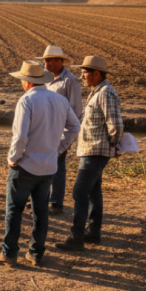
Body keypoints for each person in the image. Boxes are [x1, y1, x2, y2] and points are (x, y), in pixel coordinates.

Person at [0, 62, 80, 267]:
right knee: (41, 212)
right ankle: (36, 253)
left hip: (26, 166)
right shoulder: (60, 100)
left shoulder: (27, 100)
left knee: (14, 210)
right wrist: (58, 149)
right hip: (48, 167)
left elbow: (20, 136)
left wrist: (13, 157)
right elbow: (75, 127)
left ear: (27, 82)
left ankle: (9, 252)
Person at [56, 56, 123, 251]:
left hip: (95, 150)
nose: (82, 75)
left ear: (96, 73)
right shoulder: (98, 91)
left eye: (85, 72)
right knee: (93, 192)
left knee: (79, 191)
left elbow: (116, 125)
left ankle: (77, 237)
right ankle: (93, 233)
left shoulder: (105, 93)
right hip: (91, 150)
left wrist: (112, 145)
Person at [36, 45, 83, 214]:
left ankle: (56, 203)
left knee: (58, 166)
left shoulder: (70, 81)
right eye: (45, 61)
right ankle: (43, 199)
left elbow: (76, 111)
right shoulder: (44, 77)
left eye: (49, 61)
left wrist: (67, 137)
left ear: (59, 61)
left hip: (60, 132)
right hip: (45, 130)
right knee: (43, 165)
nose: (46, 64)